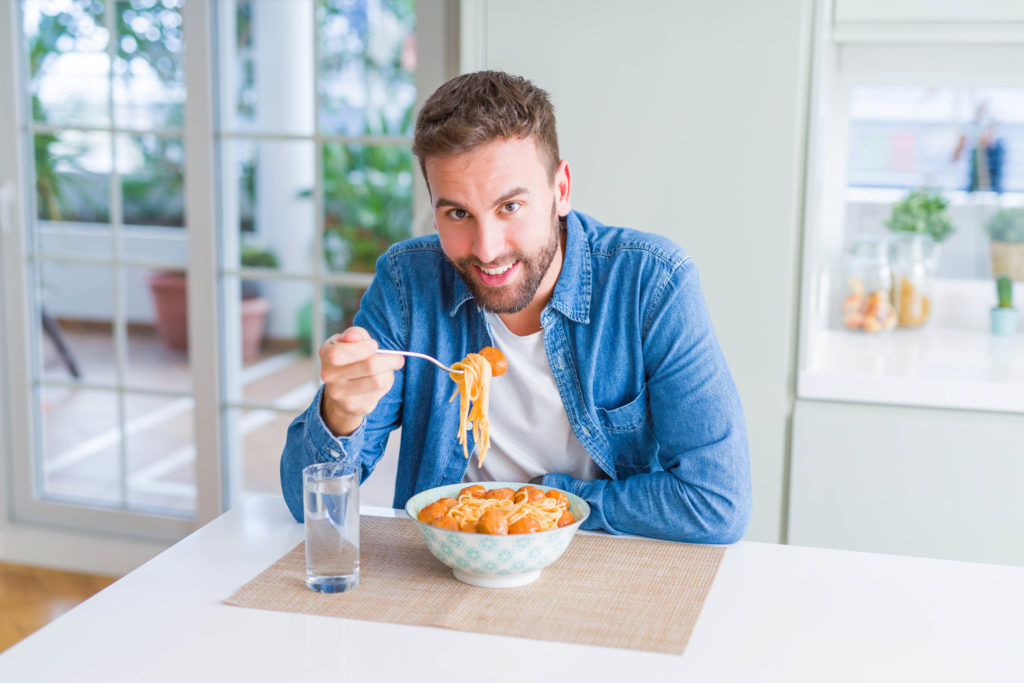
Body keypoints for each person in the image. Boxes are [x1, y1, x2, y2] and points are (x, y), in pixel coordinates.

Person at [280, 71, 751, 543]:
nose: (486, 249)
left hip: (600, 563)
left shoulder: (652, 284)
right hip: (445, 569)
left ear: (561, 189)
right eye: (458, 213)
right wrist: (340, 410)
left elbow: (716, 502)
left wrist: (544, 502)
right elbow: (303, 503)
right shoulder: (408, 283)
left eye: (510, 207)